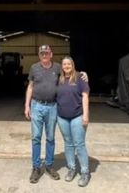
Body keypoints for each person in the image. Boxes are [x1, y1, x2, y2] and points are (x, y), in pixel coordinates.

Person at [24, 45, 87, 184]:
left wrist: (83, 73)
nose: (44, 55)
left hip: (52, 106)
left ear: (51, 54)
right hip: (36, 105)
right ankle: (36, 167)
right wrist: (27, 105)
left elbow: (70, 71)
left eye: (47, 53)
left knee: (51, 138)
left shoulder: (58, 67)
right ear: (39, 55)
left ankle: (49, 165)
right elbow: (30, 87)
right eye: (42, 53)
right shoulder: (34, 68)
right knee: (36, 137)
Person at [56, 56, 91, 187]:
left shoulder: (80, 78)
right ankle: (71, 169)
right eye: (64, 64)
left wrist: (86, 115)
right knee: (68, 144)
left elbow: (85, 96)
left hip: (77, 116)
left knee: (79, 144)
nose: (66, 66)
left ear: (73, 64)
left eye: (68, 64)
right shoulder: (58, 79)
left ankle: (85, 172)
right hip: (62, 117)